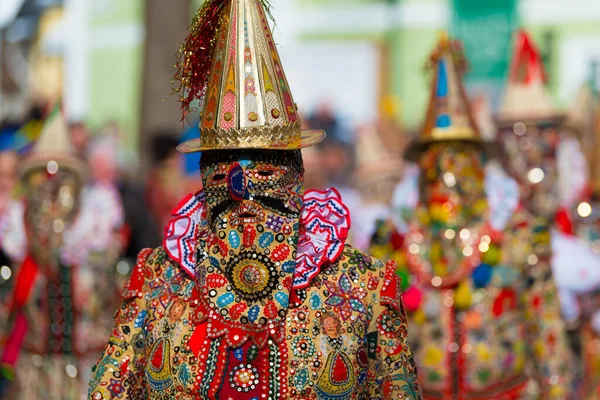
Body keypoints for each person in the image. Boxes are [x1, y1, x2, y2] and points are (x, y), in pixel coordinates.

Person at [88, 0, 421, 399]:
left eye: (266, 164)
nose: (244, 191)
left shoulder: (361, 284)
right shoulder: (160, 277)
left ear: (294, 167)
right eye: (224, 164)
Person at [373, 33, 573, 399]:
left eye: (460, 154)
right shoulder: (394, 238)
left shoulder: (517, 232)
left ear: (479, 162)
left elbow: (547, 331)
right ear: (422, 164)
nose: (449, 169)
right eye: (437, 155)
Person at [0, 109, 124, 399]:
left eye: (62, 176)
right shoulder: (19, 232)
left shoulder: (94, 231)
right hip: (32, 367)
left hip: (84, 368)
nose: (52, 187)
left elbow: (106, 299)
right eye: (44, 177)